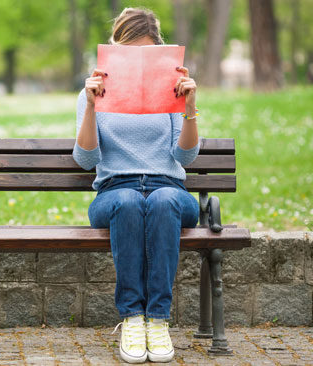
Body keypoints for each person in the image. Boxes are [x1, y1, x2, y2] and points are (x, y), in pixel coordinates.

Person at [73, 8, 200, 364]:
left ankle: (157, 319)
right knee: (129, 201)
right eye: (128, 52)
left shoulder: (173, 91)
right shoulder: (93, 92)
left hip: (170, 192)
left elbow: (186, 158)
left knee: (161, 201)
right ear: (115, 50)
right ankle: (131, 317)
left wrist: (189, 106)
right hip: (114, 192)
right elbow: (85, 161)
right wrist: (91, 107)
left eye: (145, 53)